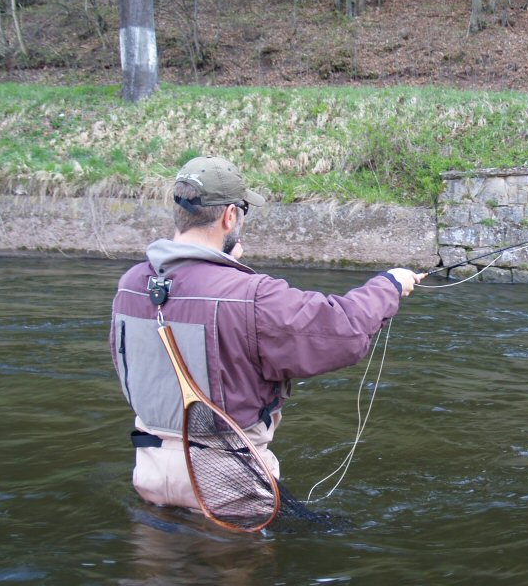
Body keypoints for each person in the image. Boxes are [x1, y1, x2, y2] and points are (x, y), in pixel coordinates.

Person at [110, 155, 422, 513]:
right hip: (228, 483)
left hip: (149, 472)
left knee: (153, 565)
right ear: (230, 216)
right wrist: (390, 284)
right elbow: (343, 330)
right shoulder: (251, 294)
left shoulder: (130, 286)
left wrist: (227, 265)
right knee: (239, 567)